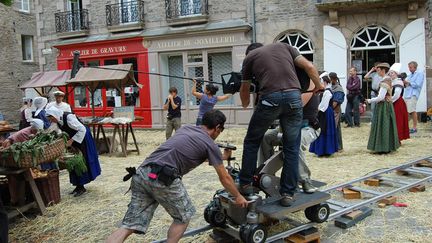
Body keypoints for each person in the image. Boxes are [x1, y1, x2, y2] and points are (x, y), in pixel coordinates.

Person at [106, 110, 248, 243]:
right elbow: (224, 178)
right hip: (163, 177)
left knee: (129, 225)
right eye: (221, 130)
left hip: (143, 173)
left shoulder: (186, 129)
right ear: (217, 127)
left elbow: (189, 152)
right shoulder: (210, 145)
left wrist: (222, 157)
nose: (220, 133)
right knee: (183, 218)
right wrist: (238, 196)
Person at [238, 42, 323, 207]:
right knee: (291, 147)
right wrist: (319, 86)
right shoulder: (285, 47)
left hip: (270, 98)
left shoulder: (250, 57)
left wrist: (245, 102)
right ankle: (287, 194)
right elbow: (310, 67)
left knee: (251, 141)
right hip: (293, 97)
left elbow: (244, 90)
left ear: (250, 52)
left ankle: (246, 184)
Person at [257, 81, 321, 193]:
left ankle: (305, 180)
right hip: (287, 126)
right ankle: (266, 174)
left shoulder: (309, 84)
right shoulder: (287, 85)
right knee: (265, 137)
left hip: (308, 127)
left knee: (297, 141)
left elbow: (297, 104)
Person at [45, 107, 101, 197]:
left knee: (81, 161)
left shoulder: (68, 117)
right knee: (73, 161)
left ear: (55, 115)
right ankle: (78, 185)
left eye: (51, 118)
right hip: (74, 140)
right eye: (49, 118)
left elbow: (82, 129)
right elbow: (52, 130)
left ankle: (81, 186)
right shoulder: (57, 120)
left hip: (83, 139)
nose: (51, 120)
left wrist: (71, 141)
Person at [2, 119, 44, 207]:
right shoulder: (25, 133)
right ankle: (16, 200)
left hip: (18, 155)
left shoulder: (32, 130)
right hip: (13, 153)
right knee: (15, 178)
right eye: (36, 130)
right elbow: (26, 149)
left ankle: (21, 200)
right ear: (33, 129)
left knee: (19, 179)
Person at [366, 76, 400, 153]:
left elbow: (380, 97)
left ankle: (382, 147)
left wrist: (370, 100)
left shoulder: (384, 85)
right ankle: (388, 146)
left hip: (383, 107)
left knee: (382, 125)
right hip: (388, 106)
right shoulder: (390, 84)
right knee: (387, 125)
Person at [309, 72, 338, 156]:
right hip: (325, 112)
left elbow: (324, 106)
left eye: (321, 81)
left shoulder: (327, 92)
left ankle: (325, 150)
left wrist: (316, 110)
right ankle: (321, 150)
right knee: (322, 129)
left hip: (325, 113)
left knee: (323, 129)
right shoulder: (325, 91)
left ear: (325, 82)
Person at [388, 63, 410, 142]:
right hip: (395, 102)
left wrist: (390, 101)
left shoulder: (398, 82)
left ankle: (397, 139)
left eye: (392, 73)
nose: (391, 74)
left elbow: (397, 95)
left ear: (397, 74)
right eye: (390, 73)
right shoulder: (393, 81)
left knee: (398, 120)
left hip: (398, 103)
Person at [403, 61, 424, 134]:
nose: (409, 69)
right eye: (409, 67)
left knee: (412, 110)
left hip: (413, 94)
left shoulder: (420, 74)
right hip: (407, 94)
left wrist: (408, 83)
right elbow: (406, 85)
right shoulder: (409, 75)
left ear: (415, 67)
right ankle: (407, 127)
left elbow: (418, 84)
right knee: (407, 111)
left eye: (410, 67)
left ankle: (414, 128)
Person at [329, 72, 345, 151]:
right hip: (332, 111)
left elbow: (335, 102)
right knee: (335, 128)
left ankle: (338, 146)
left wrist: (328, 109)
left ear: (333, 79)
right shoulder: (332, 87)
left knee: (335, 128)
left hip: (336, 111)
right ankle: (336, 146)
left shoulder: (338, 89)